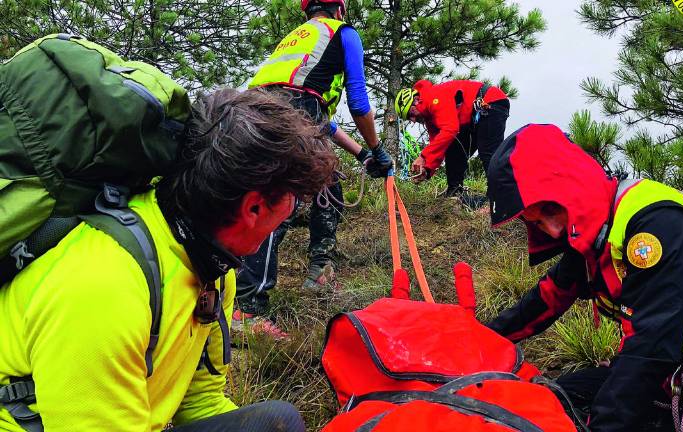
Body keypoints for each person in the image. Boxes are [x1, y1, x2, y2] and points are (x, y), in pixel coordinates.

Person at [0, 88, 337, 431]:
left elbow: (201, 401)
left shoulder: (214, 269)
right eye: (293, 202)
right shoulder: (105, 286)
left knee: (274, 424)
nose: (294, 214)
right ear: (253, 207)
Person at [485, 123, 683, 432]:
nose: (553, 230)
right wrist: (476, 341)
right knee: (556, 396)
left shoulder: (653, 219)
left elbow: (653, 344)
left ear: (574, 185)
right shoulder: (591, 239)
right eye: (537, 222)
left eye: (552, 210)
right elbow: (543, 301)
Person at [237, 0, 393, 329]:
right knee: (278, 203)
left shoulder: (299, 38)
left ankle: (320, 272)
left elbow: (319, 119)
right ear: (340, 9)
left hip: (252, 112)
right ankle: (246, 309)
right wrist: (377, 149)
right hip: (292, 113)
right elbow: (359, 102)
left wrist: (361, 155)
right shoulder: (342, 33)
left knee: (329, 183)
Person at [394, 80, 509, 202]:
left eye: (411, 113)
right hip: (474, 117)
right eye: (408, 118)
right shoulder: (429, 118)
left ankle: (498, 199)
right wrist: (427, 169)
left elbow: (450, 128)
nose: (413, 120)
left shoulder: (433, 97)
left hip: (491, 102)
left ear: (417, 100)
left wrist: (422, 156)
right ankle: (454, 192)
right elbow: (439, 144)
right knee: (453, 149)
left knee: (488, 152)